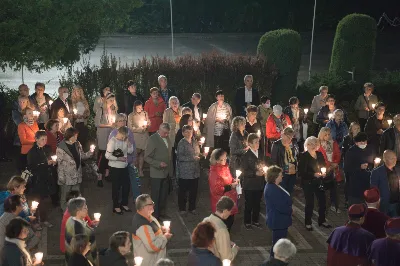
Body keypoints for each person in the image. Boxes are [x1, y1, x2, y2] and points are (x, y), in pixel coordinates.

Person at [298, 136, 331, 231]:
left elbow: (324, 166)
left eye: (316, 144)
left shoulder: (319, 154)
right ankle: (308, 222)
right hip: (308, 182)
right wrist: (313, 174)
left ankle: (322, 220)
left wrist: (324, 173)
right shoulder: (304, 156)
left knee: (322, 201)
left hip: (319, 182)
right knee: (310, 203)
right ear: (307, 145)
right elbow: (301, 172)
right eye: (311, 144)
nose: (314, 146)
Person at [57, 127, 93, 211]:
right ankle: (65, 212)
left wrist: (90, 153)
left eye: (76, 135)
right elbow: (60, 163)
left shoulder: (77, 144)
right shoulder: (61, 147)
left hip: (76, 174)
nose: (76, 137)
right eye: (75, 136)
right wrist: (61, 177)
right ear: (70, 136)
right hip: (67, 176)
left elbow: (82, 156)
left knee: (77, 195)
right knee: (65, 195)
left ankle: (76, 211)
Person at [131, 194, 172, 266]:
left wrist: (161, 229)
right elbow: (152, 246)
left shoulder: (147, 216)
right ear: (144, 207)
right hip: (151, 262)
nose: (153, 204)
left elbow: (152, 232)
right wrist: (165, 237)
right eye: (151, 203)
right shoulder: (143, 226)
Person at [27, 130, 57, 227]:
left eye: (46, 139)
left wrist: (54, 162)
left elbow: (51, 157)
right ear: (36, 139)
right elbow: (32, 166)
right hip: (37, 180)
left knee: (44, 201)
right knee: (35, 201)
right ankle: (35, 221)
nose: (45, 141)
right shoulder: (32, 152)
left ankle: (43, 220)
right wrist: (45, 163)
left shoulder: (47, 148)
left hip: (47, 178)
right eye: (42, 139)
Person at [144, 123, 173, 219]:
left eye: (167, 133)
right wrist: (158, 163)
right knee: (156, 196)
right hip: (156, 173)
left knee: (164, 194)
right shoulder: (153, 139)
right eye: (164, 133)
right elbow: (147, 157)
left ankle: (161, 212)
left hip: (166, 172)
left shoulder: (167, 138)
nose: (166, 135)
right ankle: (154, 216)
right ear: (159, 129)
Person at [109, 114, 139, 202]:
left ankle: (136, 198)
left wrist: (134, 158)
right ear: (116, 123)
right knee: (119, 182)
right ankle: (118, 201)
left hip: (129, 161)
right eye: (120, 121)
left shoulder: (129, 131)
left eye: (124, 121)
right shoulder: (113, 133)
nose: (122, 122)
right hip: (119, 163)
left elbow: (133, 145)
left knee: (134, 180)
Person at [264, 166, 292, 257]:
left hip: (280, 219)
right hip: (278, 220)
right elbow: (280, 206)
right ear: (275, 177)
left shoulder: (276, 185)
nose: (282, 176)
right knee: (277, 245)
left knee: (278, 244)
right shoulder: (272, 189)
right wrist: (290, 210)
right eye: (280, 175)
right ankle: (273, 261)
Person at [106, 126, 134, 214]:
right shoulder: (112, 141)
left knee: (126, 186)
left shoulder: (125, 140)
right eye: (123, 136)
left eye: (125, 136)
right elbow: (107, 156)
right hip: (115, 167)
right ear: (118, 133)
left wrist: (129, 144)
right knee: (116, 187)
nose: (123, 138)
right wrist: (118, 158)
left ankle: (124, 203)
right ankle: (116, 206)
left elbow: (130, 152)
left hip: (124, 166)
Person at [208, 149, 238, 232]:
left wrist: (234, 181)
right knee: (222, 226)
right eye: (222, 159)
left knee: (230, 221)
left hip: (229, 199)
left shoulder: (225, 167)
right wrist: (230, 186)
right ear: (216, 160)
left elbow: (229, 178)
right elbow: (216, 189)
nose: (224, 161)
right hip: (221, 202)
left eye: (225, 158)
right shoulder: (214, 172)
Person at [239, 133, 265, 230]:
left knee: (257, 203)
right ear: (249, 144)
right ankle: (247, 221)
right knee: (249, 203)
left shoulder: (260, 154)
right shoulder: (246, 156)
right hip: (249, 184)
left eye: (258, 142)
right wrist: (255, 173)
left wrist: (264, 170)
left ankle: (255, 220)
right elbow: (244, 171)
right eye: (255, 142)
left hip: (259, 183)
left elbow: (263, 164)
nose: (258, 144)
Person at [203, 196, 239, 261]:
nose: (230, 213)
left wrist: (227, 241)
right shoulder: (222, 229)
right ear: (225, 211)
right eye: (230, 211)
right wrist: (235, 249)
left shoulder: (206, 220)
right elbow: (226, 257)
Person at [94, 93, 118, 187]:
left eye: (113, 100)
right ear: (106, 100)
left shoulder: (113, 110)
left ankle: (107, 174)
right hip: (103, 134)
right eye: (110, 100)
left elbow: (115, 122)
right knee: (103, 154)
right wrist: (109, 125)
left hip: (111, 134)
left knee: (110, 153)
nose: (112, 102)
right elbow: (97, 124)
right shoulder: (101, 110)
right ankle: (99, 177)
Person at [65, 197, 97, 264]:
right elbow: (82, 248)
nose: (87, 209)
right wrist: (92, 262)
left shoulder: (70, 219)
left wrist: (92, 225)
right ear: (78, 212)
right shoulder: (78, 229)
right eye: (85, 208)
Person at [344, 132, 374, 205]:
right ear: (356, 143)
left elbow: (372, 162)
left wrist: (373, 165)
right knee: (356, 205)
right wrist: (359, 167)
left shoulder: (369, 149)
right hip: (355, 183)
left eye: (365, 141)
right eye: (361, 142)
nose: (363, 143)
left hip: (367, 181)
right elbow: (347, 168)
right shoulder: (351, 152)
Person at [177, 125, 201, 215]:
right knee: (183, 191)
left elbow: (197, 153)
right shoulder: (181, 143)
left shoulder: (194, 142)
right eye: (186, 132)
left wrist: (201, 155)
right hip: (185, 172)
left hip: (195, 171)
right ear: (183, 133)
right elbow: (180, 157)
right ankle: (182, 208)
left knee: (193, 191)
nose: (188, 133)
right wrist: (192, 158)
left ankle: (192, 207)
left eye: (190, 131)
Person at [317, 127, 341, 213]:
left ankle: (334, 204)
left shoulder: (333, 143)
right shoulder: (318, 144)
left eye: (328, 134)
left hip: (332, 168)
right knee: (322, 187)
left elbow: (337, 154)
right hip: (323, 168)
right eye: (325, 135)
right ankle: (322, 205)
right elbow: (319, 157)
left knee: (334, 187)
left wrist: (334, 163)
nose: (327, 136)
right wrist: (328, 166)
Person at [371, 150, 400, 217]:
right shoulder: (377, 172)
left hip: (397, 203)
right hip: (384, 204)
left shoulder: (398, 170)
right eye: (391, 158)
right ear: (385, 159)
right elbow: (374, 189)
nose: (394, 160)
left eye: (395, 158)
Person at [270, 127, 298, 196]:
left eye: (291, 137)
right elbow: (273, 161)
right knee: (282, 192)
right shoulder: (276, 145)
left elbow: (296, 157)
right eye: (288, 137)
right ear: (283, 135)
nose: (290, 139)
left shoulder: (293, 144)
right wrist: (285, 168)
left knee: (289, 192)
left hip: (292, 172)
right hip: (282, 173)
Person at [128, 100, 149, 177]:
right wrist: (139, 129)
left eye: (141, 107)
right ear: (135, 108)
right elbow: (130, 127)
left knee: (142, 154)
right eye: (139, 107)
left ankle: (140, 170)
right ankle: (135, 169)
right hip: (136, 137)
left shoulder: (145, 113)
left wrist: (147, 125)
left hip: (144, 136)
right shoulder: (131, 115)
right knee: (136, 154)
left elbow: (148, 122)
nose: (141, 109)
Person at [342, 122, 361, 207]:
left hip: (359, 163)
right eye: (354, 128)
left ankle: (357, 199)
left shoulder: (363, 138)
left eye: (358, 128)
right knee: (348, 182)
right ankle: (347, 200)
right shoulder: (347, 138)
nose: (356, 130)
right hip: (349, 163)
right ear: (351, 130)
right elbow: (345, 151)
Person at [163, 96, 182, 173]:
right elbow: (165, 125)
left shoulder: (181, 110)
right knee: (172, 154)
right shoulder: (167, 111)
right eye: (173, 102)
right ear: (169, 104)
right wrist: (175, 124)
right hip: (171, 136)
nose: (175, 104)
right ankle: (172, 172)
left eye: (176, 102)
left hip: (181, 135)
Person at [17, 107, 39, 171]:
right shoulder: (21, 125)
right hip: (27, 152)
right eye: (29, 113)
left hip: (35, 150)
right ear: (25, 116)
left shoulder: (35, 123)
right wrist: (36, 142)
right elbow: (23, 141)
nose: (32, 114)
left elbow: (37, 136)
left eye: (32, 113)